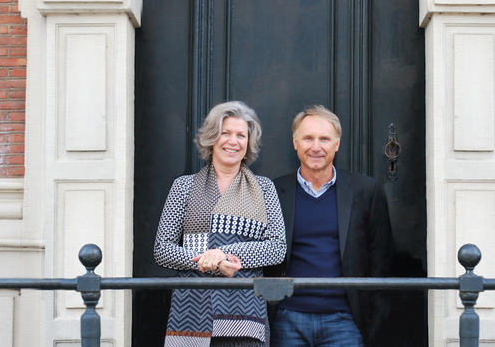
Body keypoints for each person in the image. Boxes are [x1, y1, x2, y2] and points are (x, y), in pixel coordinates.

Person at [154, 101, 286, 347]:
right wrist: (207, 262)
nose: (233, 141)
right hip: (191, 313)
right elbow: (162, 249)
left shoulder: (264, 189)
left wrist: (225, 253)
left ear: (248, 143)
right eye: (225, 133)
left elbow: (277, 248)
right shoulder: (183, 187)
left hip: (246, 316)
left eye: (241, 135)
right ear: (212, 137)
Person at [265, 105, 393, 347]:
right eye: (308, 138)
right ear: (295, 143)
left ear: (337, 144)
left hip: (345, 321)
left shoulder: (366, 191)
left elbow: (381, 261)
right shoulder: (273, 191)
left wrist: (372, 324)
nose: (316, 147)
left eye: (324, 138)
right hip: (286, 318)